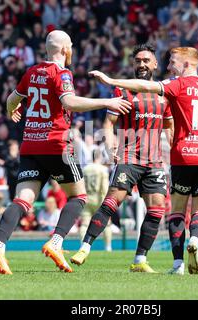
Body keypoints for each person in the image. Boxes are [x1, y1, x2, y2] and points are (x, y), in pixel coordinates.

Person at [0, 30, 131, 275]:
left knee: (22, 200)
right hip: (56, 144)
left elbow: (12, 99)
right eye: (71, 46)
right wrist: (107, 102)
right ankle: (56, 243)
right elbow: (70, 102)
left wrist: (13, 111)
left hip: (31, 144)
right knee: (79, 197)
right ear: (65, 49)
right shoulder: (62, 73)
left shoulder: (32, 72)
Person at [89, 46, 198, 275]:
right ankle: (195, 239)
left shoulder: (177, 85)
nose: (169, 66)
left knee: (176, 211)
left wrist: (110, 80)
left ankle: (178, 265)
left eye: (173, 62)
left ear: (186, 64)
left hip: (184, 155)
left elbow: (147, 87)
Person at [70, 44, 174, 273]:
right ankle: (85, 247)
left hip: (155, 161)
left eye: (146, 60)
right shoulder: (123, 92)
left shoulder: (164, 94)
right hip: (130, 157)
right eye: (138, 61)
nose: (142, 64)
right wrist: (110, 146)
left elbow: (169, 125)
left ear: (155, 64)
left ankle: (139, 261)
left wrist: (174, 148)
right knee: (111, 202)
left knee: (157, 210)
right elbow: (109, 124)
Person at [78, 149, 112, 251]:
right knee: (106, 223)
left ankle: (82, 246)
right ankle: (108, 247)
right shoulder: (102, 169)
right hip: (99, 199)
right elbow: (105, 188)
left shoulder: (85, 169)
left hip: (87, 198)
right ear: (99, 157)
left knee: (84, 223)